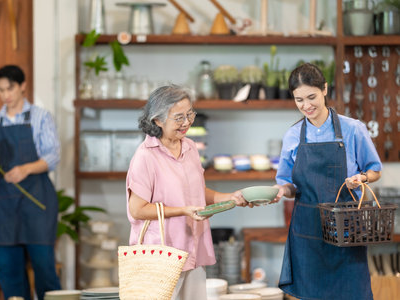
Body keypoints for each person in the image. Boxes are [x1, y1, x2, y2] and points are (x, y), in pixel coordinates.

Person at [126, 85, 251, 300]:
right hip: (162, 254)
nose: (186, 123)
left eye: (189, 114)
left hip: (193, 248)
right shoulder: (145, 156)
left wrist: (230, 197)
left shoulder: (190, 147)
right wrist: (183, 211)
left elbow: (197, 192)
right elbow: (137, 209)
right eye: (178, 118)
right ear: (157, 120)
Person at [273, 63, 382, 300]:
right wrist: (281, 190)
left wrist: (361, 178)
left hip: (346, 230)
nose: (306, 106)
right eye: (299, 100)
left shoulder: (353, 129)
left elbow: (375, 170)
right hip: (307, 232)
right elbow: (289, 185)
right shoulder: (293, 135)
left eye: (311, 97)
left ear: (324, 89)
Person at [0, 65, 61, 300]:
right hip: (6, 205)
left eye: (10, 88)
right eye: (1, 90)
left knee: (44, 269)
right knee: (8, 270)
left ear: (22, 86)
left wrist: (25, 168)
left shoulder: (40, 117)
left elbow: (53, 156)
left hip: (36, 202)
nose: (6, 94)